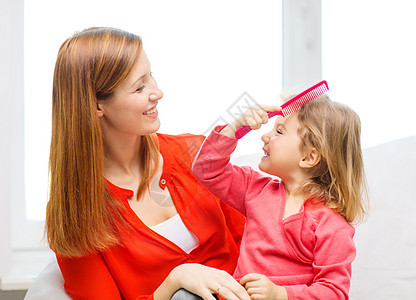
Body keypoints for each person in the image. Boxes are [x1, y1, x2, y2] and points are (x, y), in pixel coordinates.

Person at [45, 27, 250, 300]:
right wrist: (174, 280)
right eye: (139, 87)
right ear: (96, 106)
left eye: (150, 76)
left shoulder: (196, 156)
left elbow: (253, 243)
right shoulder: (77, 211)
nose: (158, 93)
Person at [192, 96, 368, 299]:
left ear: (308, 157)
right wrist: (237, 127)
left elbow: (334, 292)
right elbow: (206, 169)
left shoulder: (330, 225)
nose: (265, 137)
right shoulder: (255, 189)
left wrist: (281, 294)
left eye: (279, 131)